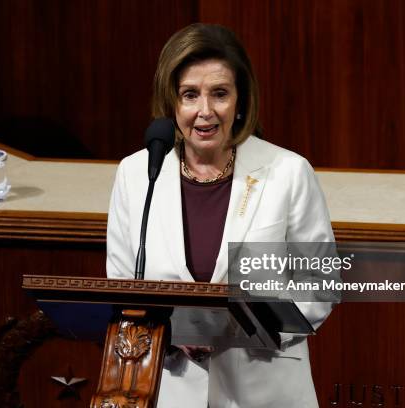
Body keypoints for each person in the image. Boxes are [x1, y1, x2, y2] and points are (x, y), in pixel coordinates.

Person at [107, 23, 337, 408]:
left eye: (220, 94)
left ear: (240, 99)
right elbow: (121, 282)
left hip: (264, 387)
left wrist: (237, 326)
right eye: (190, 95)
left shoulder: (288, 172)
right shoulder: (136, 173)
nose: (205, 111)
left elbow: (320, 283)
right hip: (169, 388)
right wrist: (171, 331)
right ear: (172, 102)